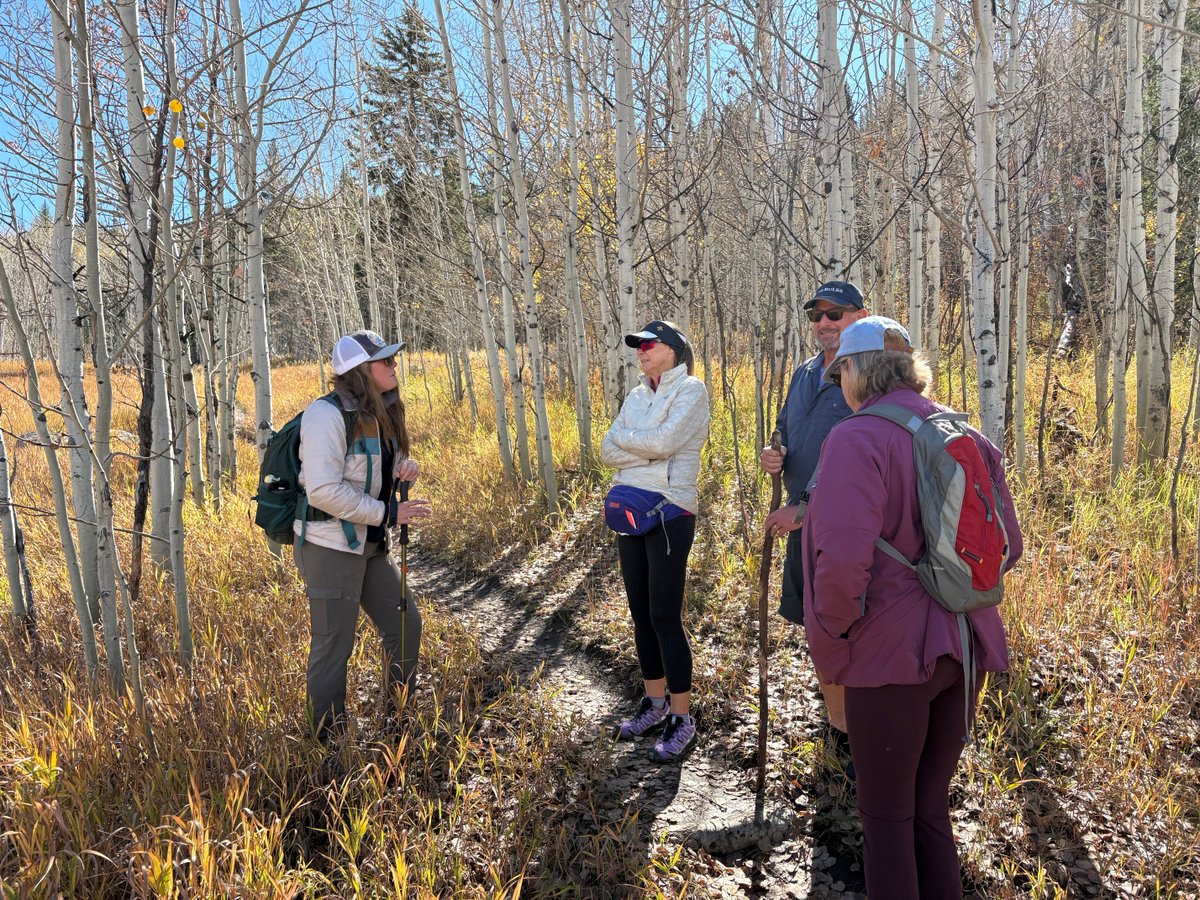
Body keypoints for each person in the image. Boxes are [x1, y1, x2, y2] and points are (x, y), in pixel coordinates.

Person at [802, 316, 1023, 899]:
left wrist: (833, 641)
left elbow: (841, 562)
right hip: (963, 644)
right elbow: (1010, 547)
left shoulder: (855, 437)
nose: (838, 381)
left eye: (839, 370)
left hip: (887, 656)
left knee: (887, 821)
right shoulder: (962, 432)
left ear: (856, 371)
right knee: (930, 811)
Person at [295, 329, 432, 741]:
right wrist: (388, 512)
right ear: (360, 371)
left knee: (405, 627)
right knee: (334, 648)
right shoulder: (325, 416)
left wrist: (401, 467)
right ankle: (329, 744)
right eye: (385, 361)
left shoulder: (380, 413)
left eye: (392, 359)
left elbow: (373, 466)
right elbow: (322, 489)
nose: (394, 366)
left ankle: (398, 724)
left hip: (369, 545)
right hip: (329, 546)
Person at [760, 279, 869, 731]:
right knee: (817, 625)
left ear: (859, 318)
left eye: (835, 313)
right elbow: (785, 427)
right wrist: (774, 450)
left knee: (845, 627)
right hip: (799, 522)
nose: (824, 323)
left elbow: (858, 467)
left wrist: (804, 510)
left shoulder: (865, 376)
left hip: (839, 527)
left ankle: (852, 731)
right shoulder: (805, 372)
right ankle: (836, 720)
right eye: (816, 315)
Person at [601, 320, 710, 763]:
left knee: (665, 614)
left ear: (675, 350)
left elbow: (667, 442)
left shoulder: (692, 391)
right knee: (641, 613)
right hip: (630, 508)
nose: (641, 350)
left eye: (649, 344)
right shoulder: (636, 394)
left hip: (670, 510)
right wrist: (642, 446)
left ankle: (682, 719)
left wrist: (636, 445)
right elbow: (606, 449)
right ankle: (654, 703)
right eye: (637, 345)